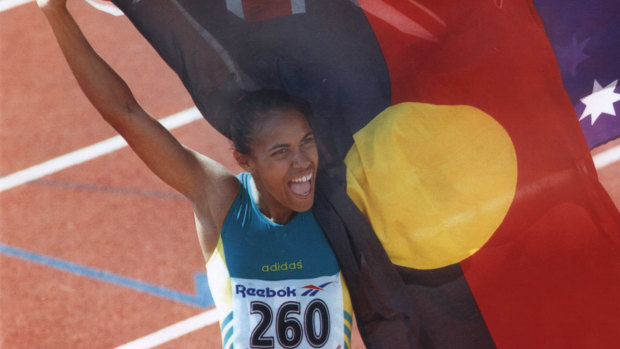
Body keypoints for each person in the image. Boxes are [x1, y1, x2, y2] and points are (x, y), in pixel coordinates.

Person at [37, 0, 353, 348]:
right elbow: (125, 114)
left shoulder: (340, 203)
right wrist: (56, 14)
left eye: (306, 142)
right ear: (245, 160)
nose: (302, 162)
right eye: (281, 152)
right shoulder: (223, 204)